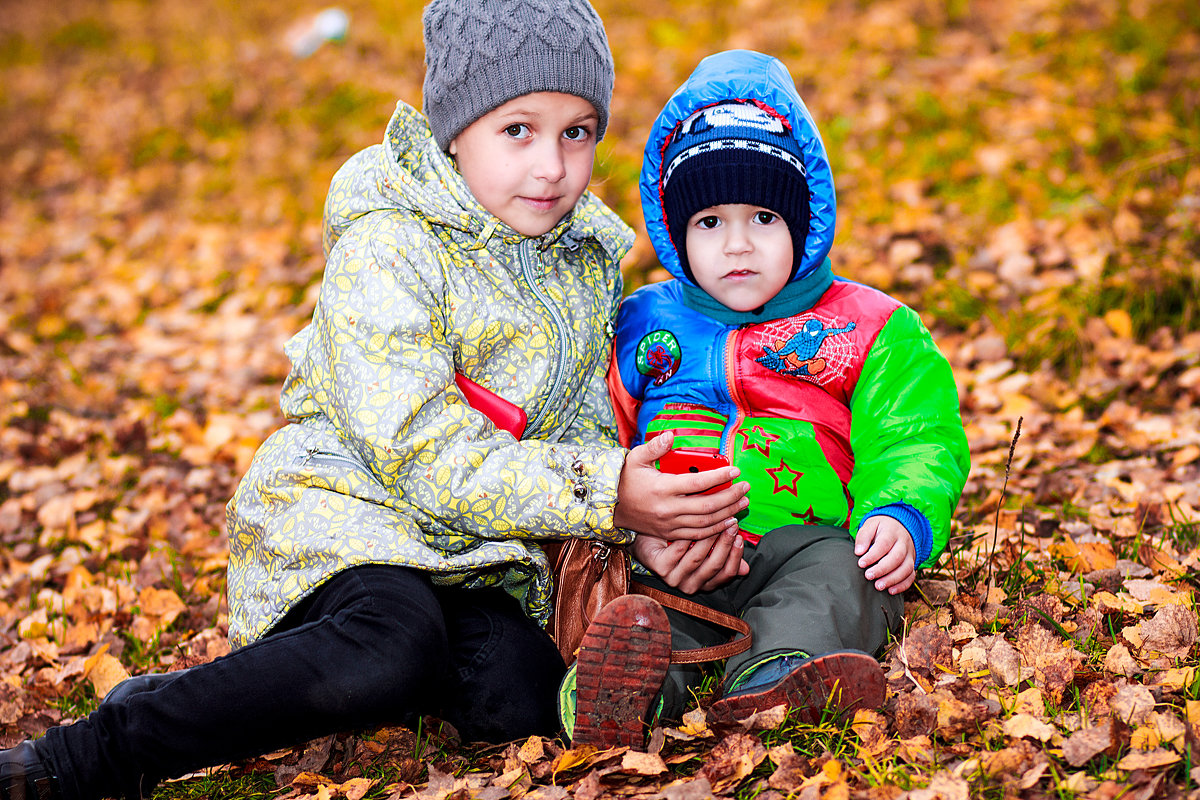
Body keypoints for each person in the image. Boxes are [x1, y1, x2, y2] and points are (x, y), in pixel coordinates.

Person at [0, 4, 752, 798]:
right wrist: (605, 494)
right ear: (455, 130)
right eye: (518, 131)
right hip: (352, 515)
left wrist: (634, 527)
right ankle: (90, 755)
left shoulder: (584, 262)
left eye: (578, 131)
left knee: (523, 698)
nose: (553, 167)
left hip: (478, 554)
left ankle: (261, 689)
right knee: (391, 643)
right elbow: (421, 453)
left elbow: (582, 427)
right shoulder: (388, 247)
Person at [565, 49, 970, 749]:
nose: (737, 246)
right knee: (647, 615)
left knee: (848, 578)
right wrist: (636, 533)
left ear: (802, 222)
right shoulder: (638, 323)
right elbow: (595, 430)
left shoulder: (869, 326)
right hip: (678, 550)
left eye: (762, 218)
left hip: (807, 540)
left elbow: (914, 434)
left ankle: (777, 678)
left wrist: (901, 515)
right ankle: (613, 695)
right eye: (710, 223)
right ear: (675, 229)